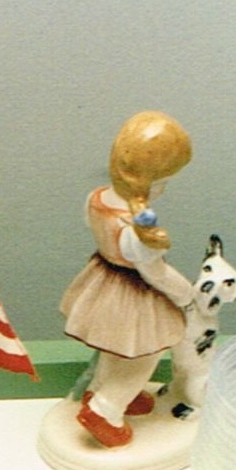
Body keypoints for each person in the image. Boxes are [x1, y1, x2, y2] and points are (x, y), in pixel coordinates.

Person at [60, 111, 193, 447]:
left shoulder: (96, 198)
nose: (164, 188)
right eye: (165, 181)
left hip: (104, 280)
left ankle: (98, 391)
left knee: (115, 349)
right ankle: (106, 410)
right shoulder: (137, 230)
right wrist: (186, 293)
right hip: (134, 293)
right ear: (150, 180)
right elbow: (155, 272)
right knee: (142, 357)